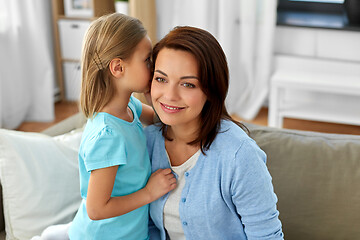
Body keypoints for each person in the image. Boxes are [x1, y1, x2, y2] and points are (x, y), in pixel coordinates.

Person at [145, 26, 284, 239]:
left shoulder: (238, 155)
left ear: (211, 90)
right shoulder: (147, 142)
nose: (170, 95)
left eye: (188, 84)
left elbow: (266, 235)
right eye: (161, 79)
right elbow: (145, 225)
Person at [66, 13, 176, 240]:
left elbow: (161, 120)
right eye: (147, 60)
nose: (154, 67)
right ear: (117, 68)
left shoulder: (129, 107)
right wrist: (149, 193)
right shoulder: (109, 135)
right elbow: (96, 209)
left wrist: (154, 95)